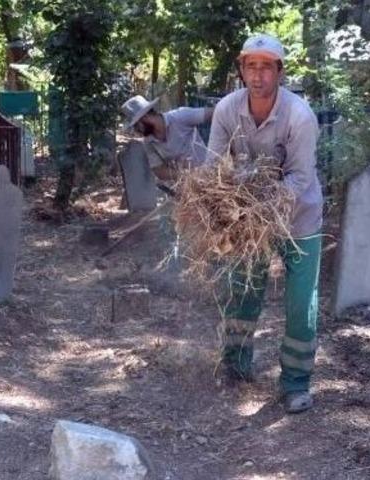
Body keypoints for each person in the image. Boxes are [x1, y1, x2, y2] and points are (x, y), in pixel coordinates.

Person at [206, 34, 323, 414]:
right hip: (246, 217)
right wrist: (227, 207)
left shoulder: (299, 116)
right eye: (250, 66)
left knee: (300, 303)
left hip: (299, 217)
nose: (258, 76)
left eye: (266, 67)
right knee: (242, 289)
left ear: (279, 72)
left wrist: (259, 207)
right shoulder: (227, 110)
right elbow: (213, 168)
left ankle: (295, 383)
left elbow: (300, 179)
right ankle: (236, 367)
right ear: (241, 69)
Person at [121, 95, 213, 181]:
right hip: (188, 187)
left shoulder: (180, 116)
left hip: (211, 174)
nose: (136, 130)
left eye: (136, 126)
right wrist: (186, 176)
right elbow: (159, 170)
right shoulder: (148, 143)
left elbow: (214, 112)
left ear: (145, 117)